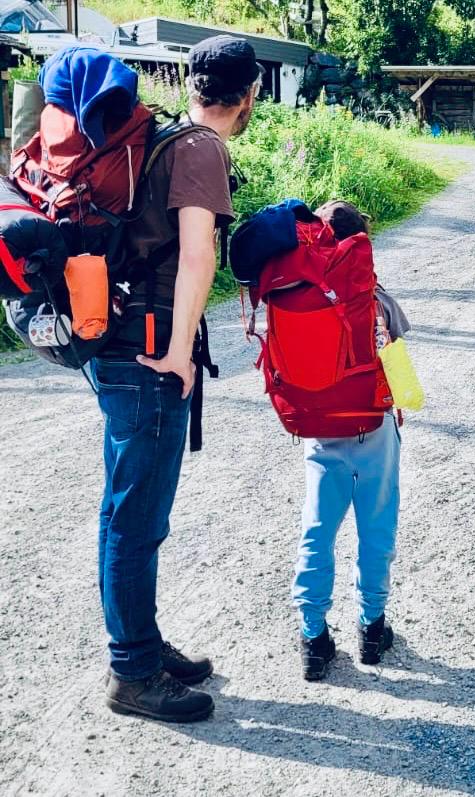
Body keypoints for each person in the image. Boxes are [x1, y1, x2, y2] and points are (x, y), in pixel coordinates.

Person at [95, 35, 261, 722]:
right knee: (136, 518)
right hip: (146, 352)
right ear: (249, 96)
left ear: (192, 85)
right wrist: (178, 351)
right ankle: (133, 673)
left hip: (114, 341)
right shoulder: (201, 150)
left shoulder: (163, 139)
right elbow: (197, 257)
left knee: (124, 509)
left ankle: (141, 643)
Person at [292, 200, 409, 681]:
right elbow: (401, 376)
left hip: (320, 431)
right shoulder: (374, 299)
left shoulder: (299, 296)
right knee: (375, 528)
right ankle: (371, 629)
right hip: (372, 428)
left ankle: (312, 638)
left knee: (317, 530)